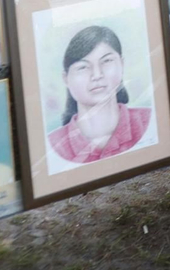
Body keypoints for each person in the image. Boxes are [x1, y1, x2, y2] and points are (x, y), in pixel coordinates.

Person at [47, 25, 154, 165]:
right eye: (83, 67)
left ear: (122, 64)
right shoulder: (52, 146)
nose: (97, 75)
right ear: (65, 78)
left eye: (107, 61)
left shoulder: (150, 121)